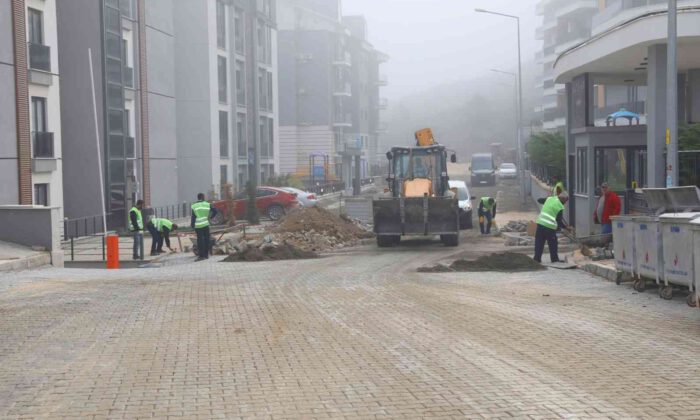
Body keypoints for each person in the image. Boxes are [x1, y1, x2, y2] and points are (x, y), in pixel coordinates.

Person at [534, 192, 573, 263]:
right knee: (553, 243)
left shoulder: (550, 199)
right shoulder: (559, 206)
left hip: (540, 224)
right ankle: (554, 259)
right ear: (563, 199)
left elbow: (539, 200)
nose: (566, 202)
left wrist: (548, 198)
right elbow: (559, 221)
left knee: (539, 243)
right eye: (566, 200)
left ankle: (537, 259)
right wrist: (566, 228)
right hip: (549, 227)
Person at [191, 193, 217, 261]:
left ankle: (201, 256)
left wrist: (192, 225)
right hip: (206, 224)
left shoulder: (194, 206)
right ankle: (206, 255)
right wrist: (210, 217)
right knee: (207, 239)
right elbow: (215, 211)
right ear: (203, 197)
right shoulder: (207, 204)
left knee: (200, 241)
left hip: (198, 226)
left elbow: (193, 217)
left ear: (198, 198)